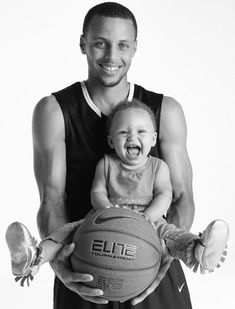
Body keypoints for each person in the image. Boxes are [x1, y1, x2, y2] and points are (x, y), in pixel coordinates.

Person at [6, 1, 227, 308]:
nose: (112, 56)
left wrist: (160, 256)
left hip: (150, 261)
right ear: (83, 44)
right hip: (84, 269)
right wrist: (62, 268)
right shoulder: (53, 110)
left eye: (122, 45)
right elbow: (51, 200)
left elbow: (181, 196)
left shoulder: (166, 111)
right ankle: (34, 255)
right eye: (100, 44)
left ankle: (197, 251)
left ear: (135, 47)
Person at [5, 100, 229, 289]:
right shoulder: (106, 163)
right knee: (68, 231)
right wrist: (106, 210)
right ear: (112, 141)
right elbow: (97, 191)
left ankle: (199, 250)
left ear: (153, 139)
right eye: (123, 132)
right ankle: (33, 256)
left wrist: (148, 217)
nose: (132, 136)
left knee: (172, 235)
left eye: (141, 131)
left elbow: (164, 195)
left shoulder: (158, 167)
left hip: (149, 221)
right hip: (105, 218)